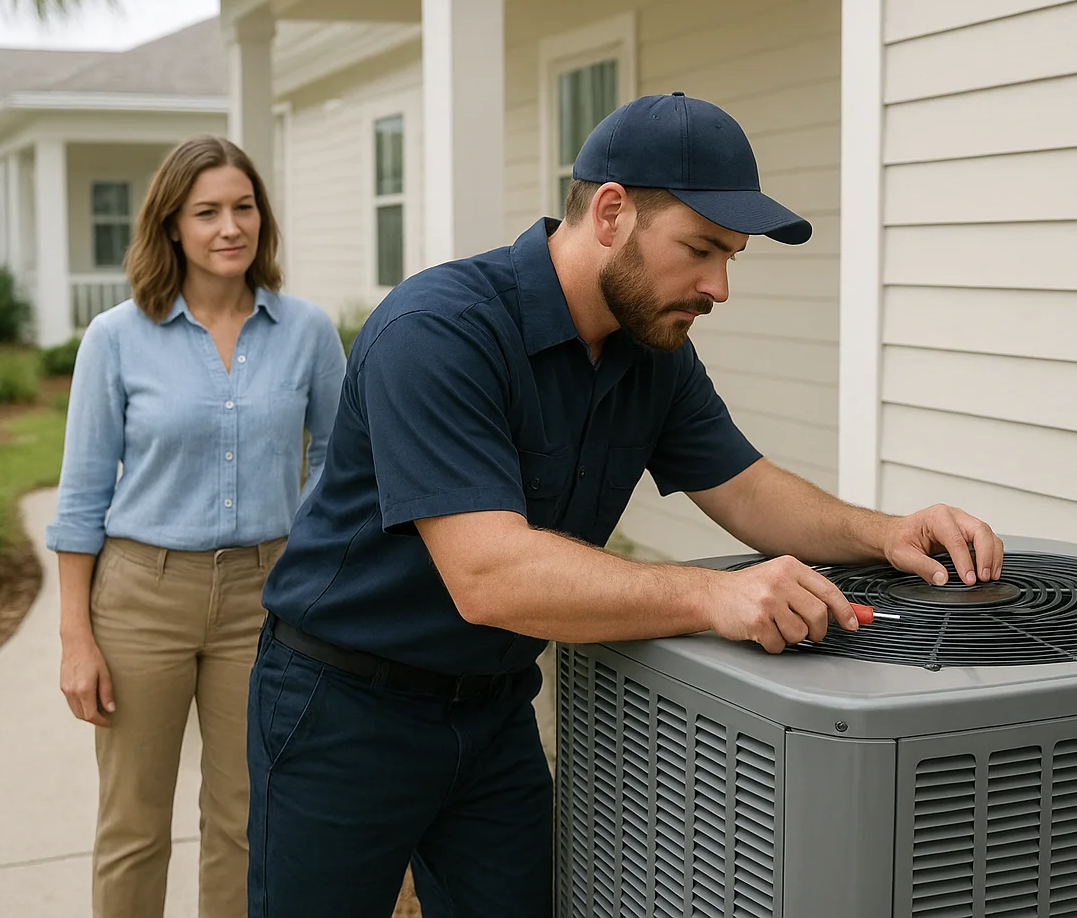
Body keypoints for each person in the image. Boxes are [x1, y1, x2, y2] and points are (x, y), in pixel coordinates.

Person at [245, 93, 1003, 916]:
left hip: (492, 710)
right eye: (700, 249)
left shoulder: (653, 351)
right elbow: (489, 575)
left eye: (731, 258)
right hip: (344, 709)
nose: (718, 286)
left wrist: (887, 533)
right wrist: (714, 594)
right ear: (611, 212)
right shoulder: (440, 330)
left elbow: (745, 487)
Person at [46, 135, 346, 918]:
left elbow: (341, 464)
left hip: (264, 599)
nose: (229, 227)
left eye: (243, 207)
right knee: (133, 826)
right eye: (206, 211)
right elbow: (80, 498)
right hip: (141, 597)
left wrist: (302, 559)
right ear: (171, 225)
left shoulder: (306, 332)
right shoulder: (116, 338)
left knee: (246, 821)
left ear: (262, 218)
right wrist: (76, 638)